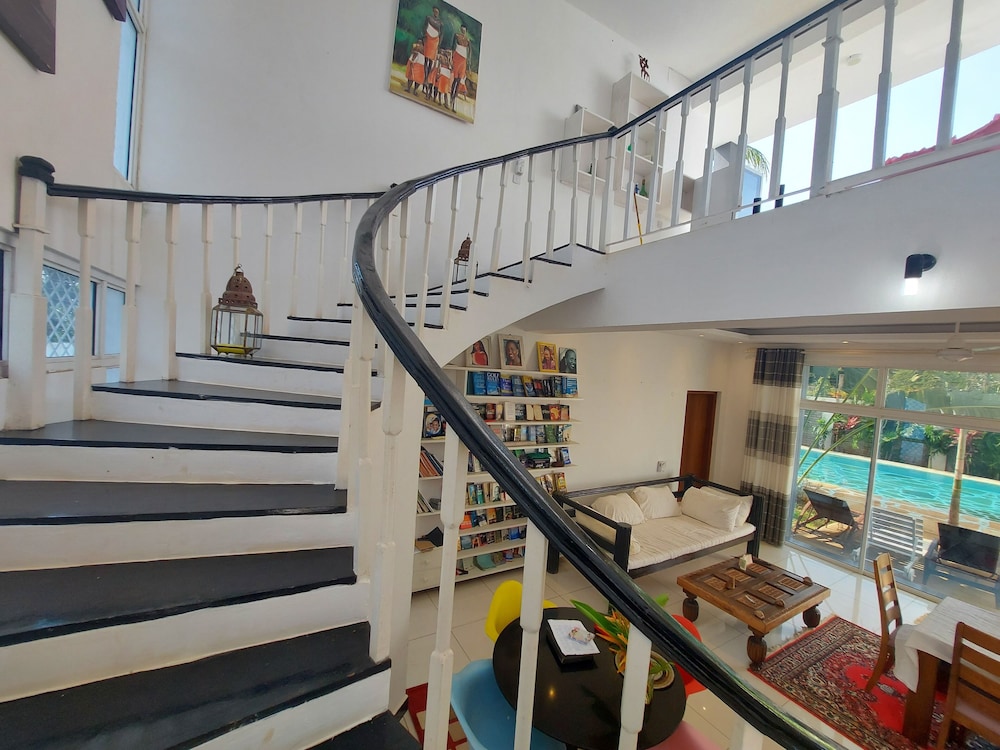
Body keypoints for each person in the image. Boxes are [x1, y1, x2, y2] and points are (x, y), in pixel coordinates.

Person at [421, 6, 443, 95]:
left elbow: (441, 34)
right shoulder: (428, 18)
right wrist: (424, 37)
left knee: (430, 61)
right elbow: (424, 27)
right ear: (433, 11)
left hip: (435, 41)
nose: (436, 13)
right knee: (426, 60)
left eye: (437, 12)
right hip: (428, 39)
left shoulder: (440, 23)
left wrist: (439, 44)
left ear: (439, 13)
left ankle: (426, 79)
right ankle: (425, 78)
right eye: (435, 11)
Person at [450, 25, 470, 110]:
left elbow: (470, 51)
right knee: (455, 80)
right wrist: (451, 58)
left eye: (464, 30)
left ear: (466, 31)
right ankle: (451, 98)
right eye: (462, 29)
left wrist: (468, 63)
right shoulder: (457, 36)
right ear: (460, 30)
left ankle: (454, 100)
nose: (463, 31)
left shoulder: (468, 40)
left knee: (458, 81)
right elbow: (452, 47)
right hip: (457, 57)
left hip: (463, 60)